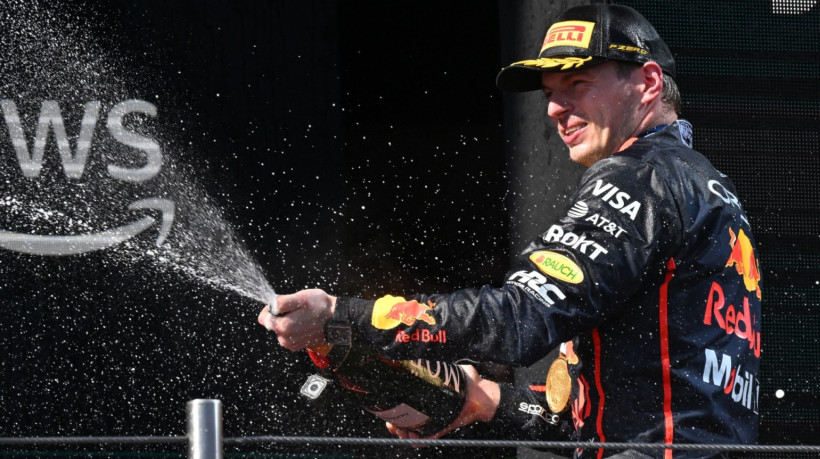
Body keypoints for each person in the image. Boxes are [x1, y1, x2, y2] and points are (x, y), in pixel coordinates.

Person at [259, 5, 762, 458]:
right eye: (549, 94)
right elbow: (620, 422)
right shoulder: (709, 186)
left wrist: (346, 317)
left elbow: (520, 318)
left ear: (649, 83)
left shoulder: (638, 176)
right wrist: (487, 402)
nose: (554, 109)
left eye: (578, 84)